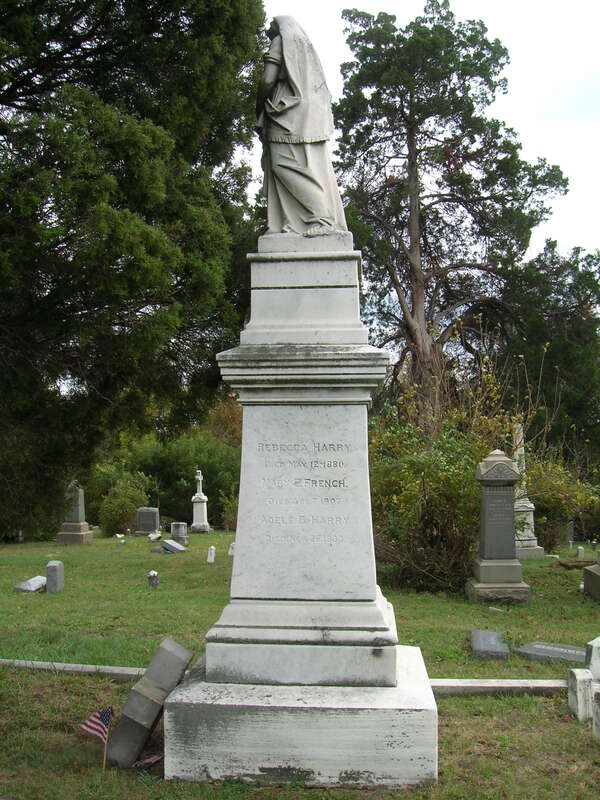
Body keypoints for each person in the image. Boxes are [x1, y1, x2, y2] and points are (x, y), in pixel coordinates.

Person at [256, 16, 347, 237]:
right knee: (306, 166)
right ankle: (288, 224)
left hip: (284, 112)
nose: (269, 30)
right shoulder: (305, 47)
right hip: (304, 113)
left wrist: (258, 108)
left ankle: (322, 218)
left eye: (272, 26)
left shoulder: (281, 40)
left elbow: (268, 79)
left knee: (283, 165)